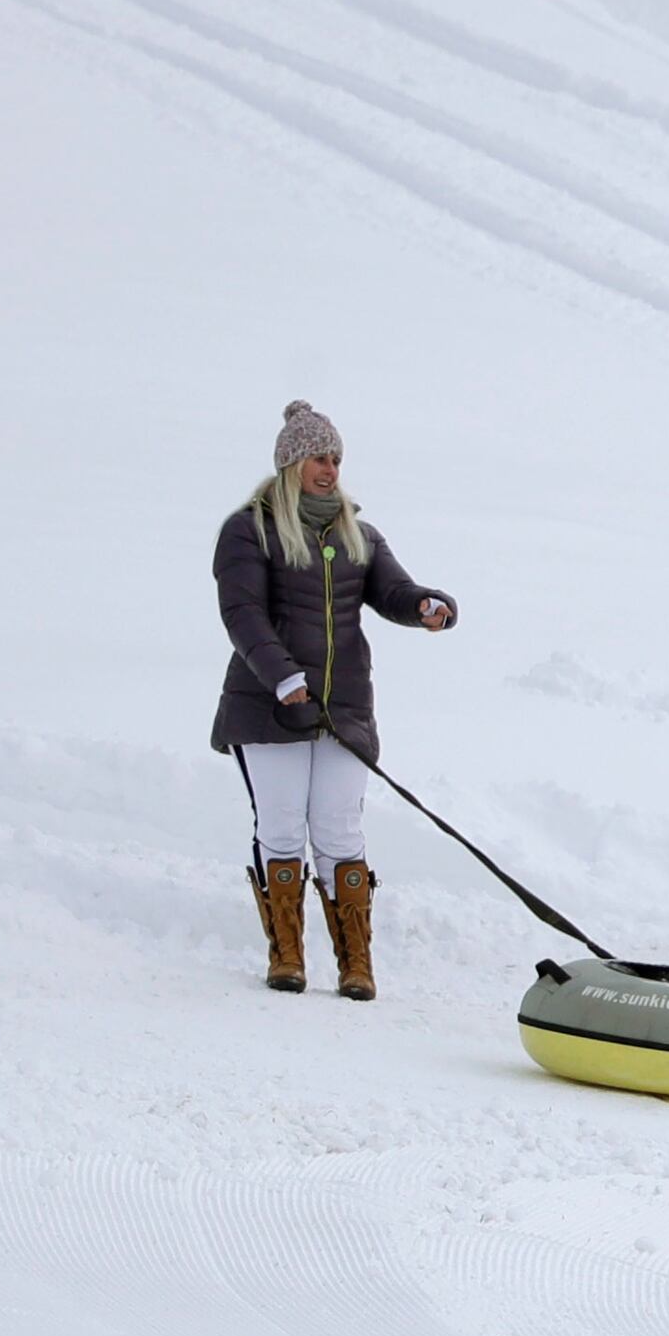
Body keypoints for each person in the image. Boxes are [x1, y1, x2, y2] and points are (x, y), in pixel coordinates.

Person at [209, 400, 457, 998]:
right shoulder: (249, 529)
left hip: (342, 705)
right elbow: (242, 614)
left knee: (341, 829)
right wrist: (282, 677)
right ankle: (287, 955)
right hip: (269, 704)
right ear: (291, 462)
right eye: (320, 457)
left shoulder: (358, 534)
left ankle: (356, 965)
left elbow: (392, 589)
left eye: (337, 458)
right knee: (283, 825)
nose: (331, 468)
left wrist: (426, 604)